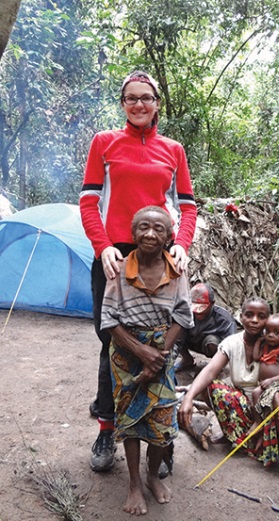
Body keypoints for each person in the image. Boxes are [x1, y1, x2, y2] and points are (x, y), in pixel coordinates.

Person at [80, 70, 197, 472]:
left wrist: (180, 244)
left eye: (146, 98)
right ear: (123, 103)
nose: (139, 104)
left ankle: (160, 437)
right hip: (115, 254)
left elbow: (187, 206)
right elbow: (88, 202)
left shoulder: (173, 149)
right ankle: (107, 429)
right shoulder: (104, 143)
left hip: (161, 253)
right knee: (111, 342)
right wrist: (103, 247)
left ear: (157, 103)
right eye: (131, 98)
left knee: (166, 339)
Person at [178, 297, 279, 507]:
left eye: (261, 316)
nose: (255, 320)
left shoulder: (277, 345)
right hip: (246, 409)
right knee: (209, 386)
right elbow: (210, 370)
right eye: (249, 315)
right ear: (241, 316)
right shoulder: (232, 343)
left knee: (274, 393)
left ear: (269, 319)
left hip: (270, 414)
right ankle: (235, 435)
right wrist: (189, 398)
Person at [101, 206, 193, 515]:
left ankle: (153, 475)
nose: (150, 233)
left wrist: (159, 355)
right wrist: (142, 353)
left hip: (162, 353)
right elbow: (109, 319)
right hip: (126, 354)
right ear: (132, 233)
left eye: (158, 228)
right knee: (129, 420)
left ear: (169, 237)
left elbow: (182, 315)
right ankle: (134, 484)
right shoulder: (119, 269)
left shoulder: (178, 270)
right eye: (143, 227)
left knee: (161, 421)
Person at [247, 313, 279, 450]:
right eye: (268, 331)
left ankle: (262, 425)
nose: (270, 335)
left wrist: (272, 380)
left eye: (276, 333)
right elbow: (256, 357)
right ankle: (258, 422)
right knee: (255, 394)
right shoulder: (266, 346)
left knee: (258, 394)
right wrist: (259, 342)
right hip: (265, 385)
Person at [175, 283, 237, 371]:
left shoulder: (224, 319)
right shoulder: (185, 312)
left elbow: (233, 345)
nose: (198, 313)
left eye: (202, 308)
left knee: (212, 342)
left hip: (210, 346)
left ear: (212, 304)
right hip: (190, 341)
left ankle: (216, 365)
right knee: (176, 331)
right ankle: (187, 359)